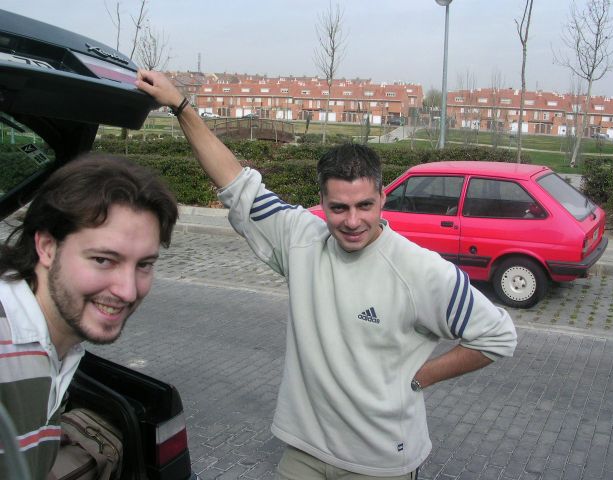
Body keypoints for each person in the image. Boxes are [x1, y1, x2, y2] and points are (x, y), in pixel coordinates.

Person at [136, 70, 517, 479]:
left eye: (364, 205)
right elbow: (235, 182)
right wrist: (181, 107)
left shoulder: (420, 270)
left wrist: (417, 378)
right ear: (322, 201)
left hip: (381, 462)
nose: (352, 221)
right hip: (305, 451)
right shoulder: (300, 238)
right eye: (339, 208)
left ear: (383, 198)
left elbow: (497, 336)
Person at [0, 155, 178, 480]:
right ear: (47, 246)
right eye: (102, 260)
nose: (127, 291)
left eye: (144, 265)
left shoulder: (56, 348)